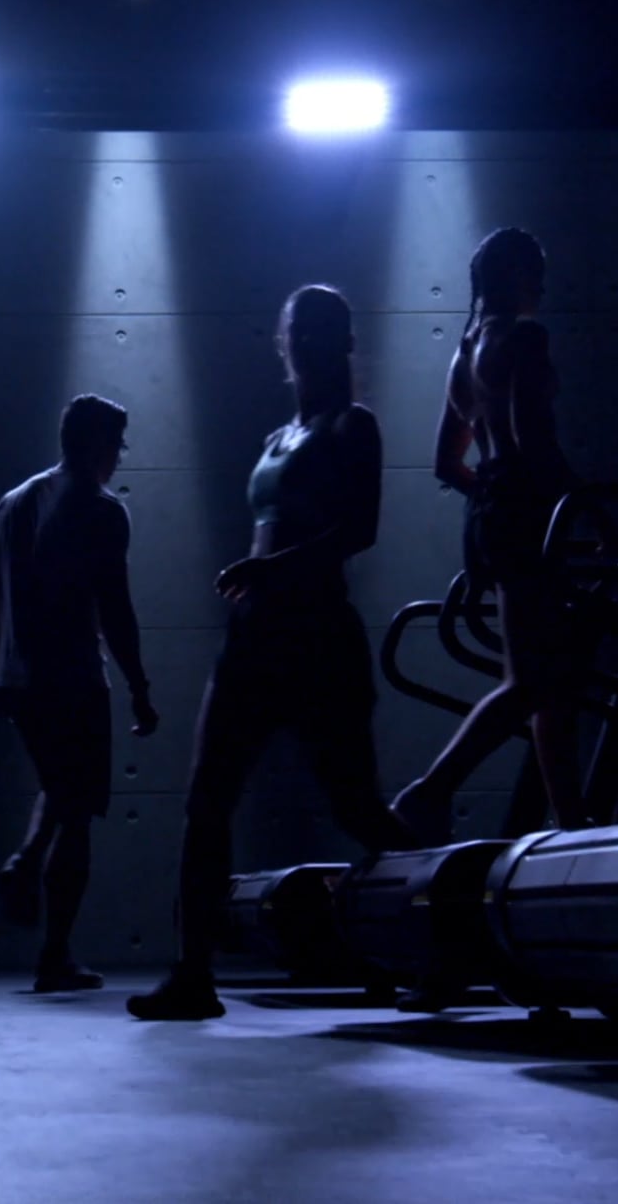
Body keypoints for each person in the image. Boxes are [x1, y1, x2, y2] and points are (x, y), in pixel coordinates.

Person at [129, 285, 422, 1022]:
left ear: (344, 341)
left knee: (356, 805)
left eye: (324, 329)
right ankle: (192, 976)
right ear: (283, 341)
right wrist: (263, 579)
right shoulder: (276, 437)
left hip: (316, 636)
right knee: (207, 800)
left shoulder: (354, 426)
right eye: (299, 329)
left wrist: (273, 569)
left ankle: (447, 935)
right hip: (254, 638)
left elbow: (360, 530)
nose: (308, 342)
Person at [391, 229, 593, 844]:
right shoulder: (525, 339)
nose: (543, 286)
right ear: (521, 276)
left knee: (548, 680)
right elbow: (535, 442)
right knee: (530, 681)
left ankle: (571, 819)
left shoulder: (464, 353)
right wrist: (590, 513)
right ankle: (429, 792)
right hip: (527, 516)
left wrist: (492, 494)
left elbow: (447, 463)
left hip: (488, 519)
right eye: (537, 271)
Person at [0, 394, 158, 994]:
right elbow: (115, 607)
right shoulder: (101, 510)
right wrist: (139, 686)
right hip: (73, 678)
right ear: (95, 444)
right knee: (78, 812)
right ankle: (54, 955)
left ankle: (28, 858)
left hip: (18, 678)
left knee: (59, 785)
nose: (120, 456)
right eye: (117, 444)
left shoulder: (14, 501)